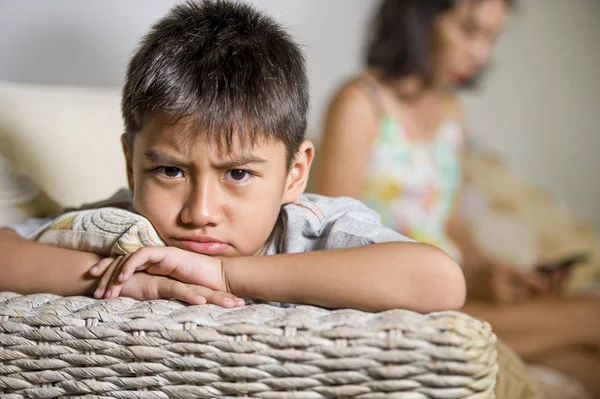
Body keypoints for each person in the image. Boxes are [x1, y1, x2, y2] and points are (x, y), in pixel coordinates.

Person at [0, 0, 466, 314]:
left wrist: (225, 273)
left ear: (294, 173)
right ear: (130, 162)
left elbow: (440, 281)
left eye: (238, 173)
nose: (200, 213)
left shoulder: (309, 230)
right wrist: (123, 282)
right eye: (169, 170)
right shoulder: (125, 230)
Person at [313, 0, 600, 395]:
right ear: (422, 16)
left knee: (587, 367)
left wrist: (492, 274)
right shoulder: (360, 102)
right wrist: (453, 278)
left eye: (491, 39)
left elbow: (449, 229)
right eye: (470, 30)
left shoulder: (452, 115)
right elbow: (330, 237)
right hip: (402, 295)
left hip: (456, 287)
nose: (480, 54)